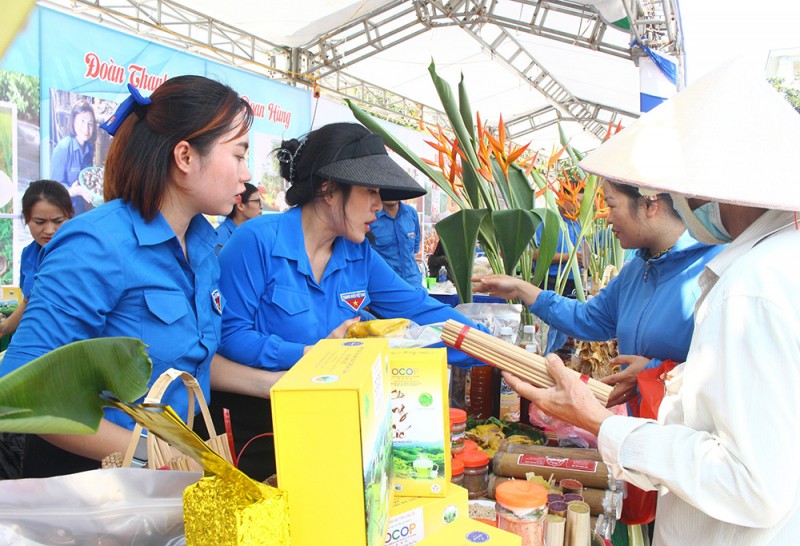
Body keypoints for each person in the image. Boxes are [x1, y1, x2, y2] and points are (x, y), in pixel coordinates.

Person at [498, 60, 800, 544]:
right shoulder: (768, 265)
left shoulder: (748, 289)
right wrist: (663, 375)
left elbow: (751, 483)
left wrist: (600, 423)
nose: (683, 199)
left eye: (681, 184)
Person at [0, 76, 257, 478]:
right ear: (185, 157)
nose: (246, 173)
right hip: (97, 492)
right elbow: (21, 393)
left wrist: (277, 381)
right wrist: (153, 455)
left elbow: (192, 360)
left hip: (171, 476)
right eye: (239, 155)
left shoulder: (203, 248)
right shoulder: (98, 244)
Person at [210, 122, 488, 480]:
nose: (378, 204)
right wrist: (313, 354)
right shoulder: (257, 242)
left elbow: (422, 312)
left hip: (329, 422)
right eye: (370, 190)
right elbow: (228, 336)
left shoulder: (360, 255)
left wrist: (494, 349)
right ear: (327, 188)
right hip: (259, 427)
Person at [474, 182, 723, 407]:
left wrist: (653, 371)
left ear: (649, 204)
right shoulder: (639, 268)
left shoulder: (714, 270)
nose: (608, 219)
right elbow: (590, 318)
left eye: (612, 205)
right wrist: (521, 289)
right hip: (640, 431)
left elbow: (726, 371)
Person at [0, 180, 74, 339]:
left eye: (58, 221)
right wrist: (4, 328)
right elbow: (29, 302)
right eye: (39, 222)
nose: (49, 230)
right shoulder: (29, 254)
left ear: (71, 216)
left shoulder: (83, 254)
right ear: (26, 220)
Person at [50, 99, 97, 215]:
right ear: (73, 120)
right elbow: (53, 190)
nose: (86, 128)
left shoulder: (89, 149)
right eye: (82, 121)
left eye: (90, 124)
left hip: (80, 211)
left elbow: (86, 178)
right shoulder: (63, 148)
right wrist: (71, 191)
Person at [367, 198, 423, 286]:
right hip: (384, 285)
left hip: (413, 283)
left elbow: (415, 246)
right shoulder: (370, 217)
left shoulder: (411, 213)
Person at [215, 182, 261, 253]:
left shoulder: (255, 232)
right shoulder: (220, 237)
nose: (261, 206)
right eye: (257, 201)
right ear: (240, 206)